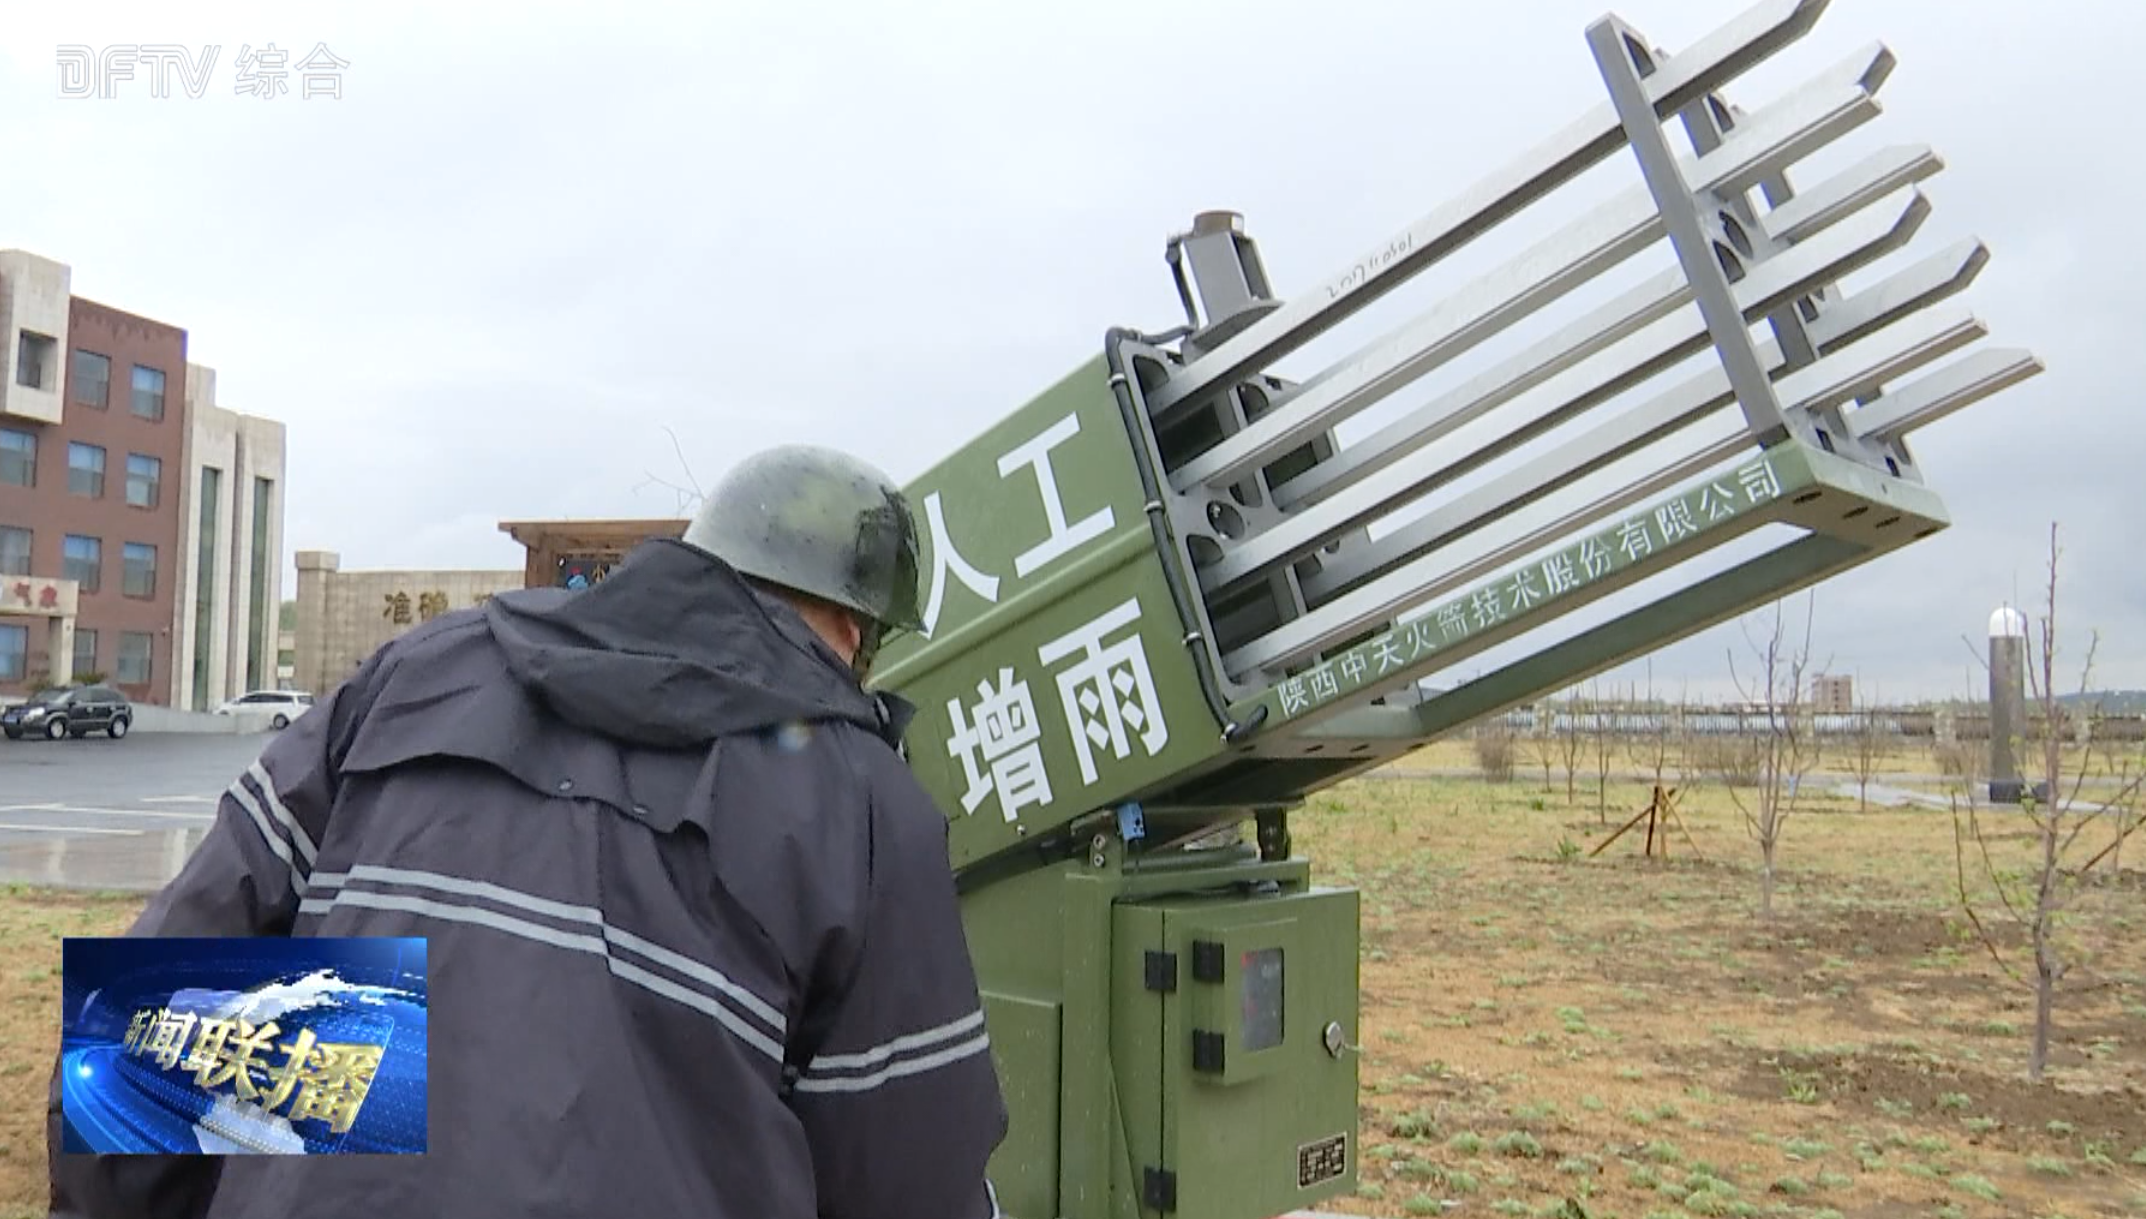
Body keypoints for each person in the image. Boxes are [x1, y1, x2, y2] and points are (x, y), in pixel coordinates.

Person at [47, 445, 1009, 1219]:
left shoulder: (413, 676)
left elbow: (142, 1052)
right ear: (848, 627)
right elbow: (906, 1168)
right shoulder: (863, 800)